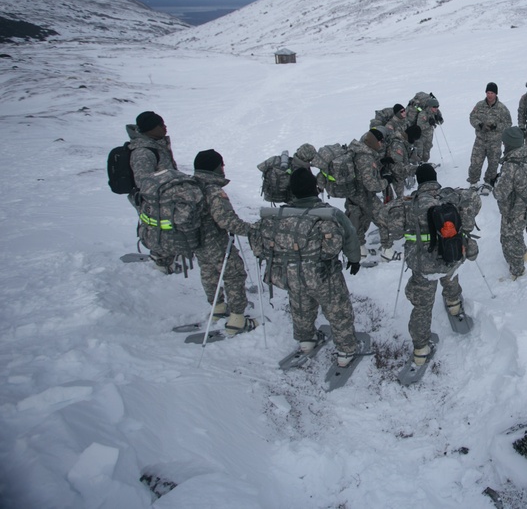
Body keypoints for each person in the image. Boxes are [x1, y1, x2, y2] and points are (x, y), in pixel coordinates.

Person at [386, 164, 478, 370]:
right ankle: (454, 305)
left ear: (419, 182)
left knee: (422, 307)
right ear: (435, 179)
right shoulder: (450, 197)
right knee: (451, 276)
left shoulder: (408, 204)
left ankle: (420, 351)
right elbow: (473, 205)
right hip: (450, 256)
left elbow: (393, 231)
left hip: (423, 265)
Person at [271, 168, 366, 365]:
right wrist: (354, 259)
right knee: (338, 310)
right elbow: (349, 236)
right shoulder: (329, 213)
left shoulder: (281, 214)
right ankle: (345, 352)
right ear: (316, 188)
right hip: (323, 275)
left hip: (292, 273)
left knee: (300, 307)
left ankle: (306, 341)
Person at [191, 149, 257, 335]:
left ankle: (218, 308)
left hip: (196, 241)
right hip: (215, 242)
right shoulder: (213, 191)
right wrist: (252, 230)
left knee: (209, 273)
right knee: (234, 275)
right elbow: (227, 222)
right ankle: (237, 320)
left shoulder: (190, 186)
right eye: (222, 164)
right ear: (215, 167)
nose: (223, 168)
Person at [126, 111, 179, 273]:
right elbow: (144, 182)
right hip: (155, 201)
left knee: (168, 229)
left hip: (166, 197)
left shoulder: (157, 144)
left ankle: (168, 256)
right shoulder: (143, 151)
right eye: (161, 125)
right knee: (159, 230)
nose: (165, 127)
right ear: (150, 129)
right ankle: (161, 261)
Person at [492, 127, 527, 279]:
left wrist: (495, 182)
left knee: (508, 239)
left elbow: (499, 193)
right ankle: (525, 255)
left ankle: (518, 271)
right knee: (517, 233)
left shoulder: (510, 166)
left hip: (513, 210)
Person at [345, 128, 394, 260]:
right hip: (364, 195)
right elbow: (371, 185)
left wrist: (379, 163)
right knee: (383, 219)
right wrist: (386, 181)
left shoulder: (358, 149)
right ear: (374, 142)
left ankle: (360, 249)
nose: (382, 144)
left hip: (353, 192)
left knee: (359, 220)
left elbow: (362, 171)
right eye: (381, 141)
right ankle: (387, 251)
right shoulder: (365, 157)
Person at [467, 82, 512, 192]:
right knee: (475, 162)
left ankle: (488, 182)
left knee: (493, 163)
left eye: (492, 93)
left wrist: (496, 126)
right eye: (488, 92)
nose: (489, 95)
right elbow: (472, 117)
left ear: (496, 94)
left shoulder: (502, 108)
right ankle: (473, 182)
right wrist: (479, 125)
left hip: (495, 142)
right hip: (480, 140)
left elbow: (508, 123)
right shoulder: (479, 105)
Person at [407, 94, 443, 164]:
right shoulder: (423, 113)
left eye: (437, 107)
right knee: (419, 153)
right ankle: (417, 166)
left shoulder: (436, 112)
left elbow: (441, 122)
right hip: (421, 137)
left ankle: (425, 164)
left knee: (426, 153)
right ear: (430, 107)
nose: (436, 108)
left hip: (429, 136)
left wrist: (439, 119)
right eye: (434, 107)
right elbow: (419, 127)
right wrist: (429, 123)